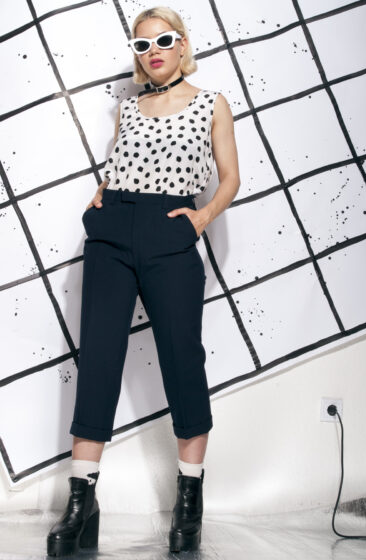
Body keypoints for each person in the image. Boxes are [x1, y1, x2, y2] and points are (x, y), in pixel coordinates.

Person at [47, 5, 240, 556]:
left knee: (182, 358)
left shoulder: (211, 102)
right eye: (142, 44)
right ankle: (81, 503)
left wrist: (201, 218)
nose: (153, 51)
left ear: (182, 44)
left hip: (169, 231)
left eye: (163, 40)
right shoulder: (128, 107)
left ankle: (189, 499)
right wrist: (100, 195)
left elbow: (231, 178)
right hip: (111, 234)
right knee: (99, 358)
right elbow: (120, 166)